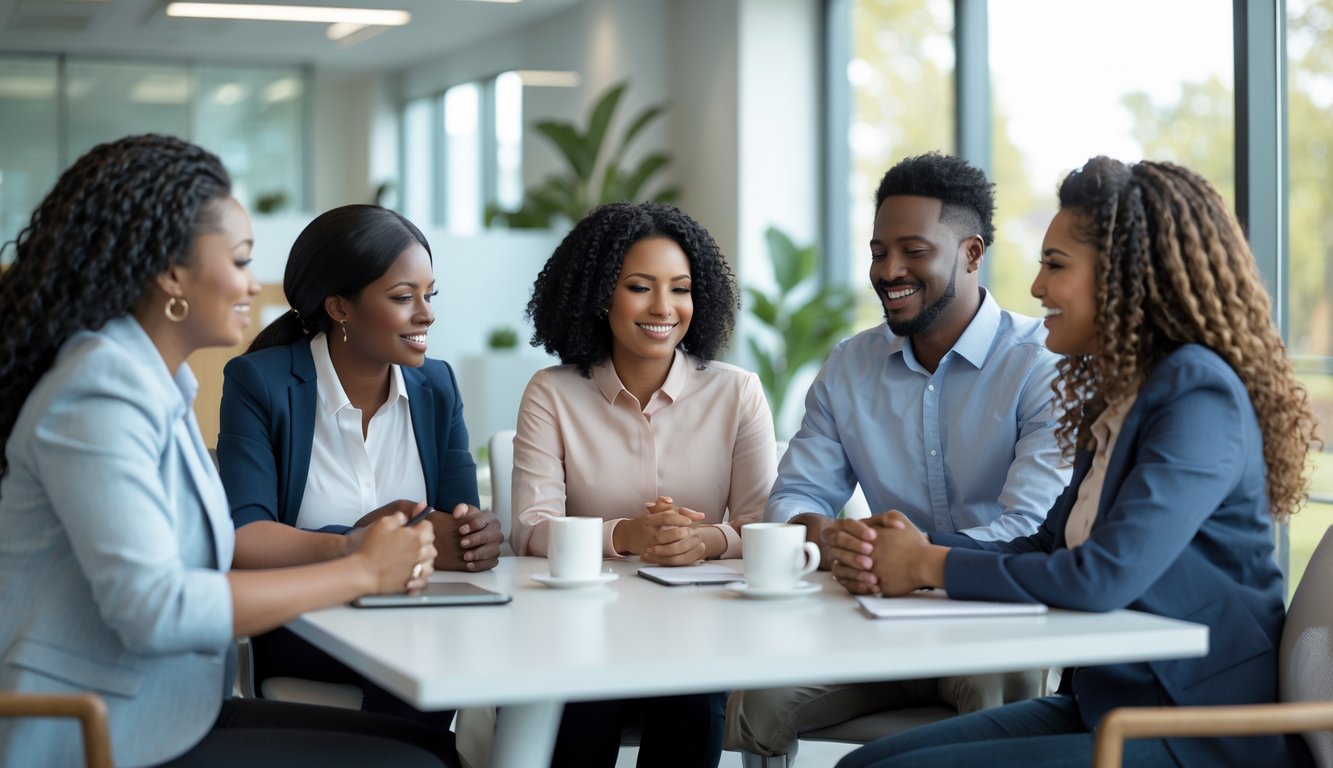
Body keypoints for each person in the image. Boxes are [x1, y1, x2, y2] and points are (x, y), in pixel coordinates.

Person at [832, 157, 1319, 768]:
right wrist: (909, 549)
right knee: (860, 766)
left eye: (1055, 266)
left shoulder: (1198, 393)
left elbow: (1100, 577)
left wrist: (929, 563)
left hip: (1198, 728)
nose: (1036, 288)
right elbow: (1046, 547)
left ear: (1125, 277)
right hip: (1111, 704)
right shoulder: (1121, 394)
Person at [0, 134, 455, 768]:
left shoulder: (156, 382)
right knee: (418, 762)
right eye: (240, 261)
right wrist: (357, 571)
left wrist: (355, 546)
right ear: (170, 273)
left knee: (431, 745)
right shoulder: (100, 392)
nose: (252, 285)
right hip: (97, 731)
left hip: (169, 710)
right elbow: (155, 609)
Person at [726, 152, 1070, 760]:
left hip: (991, 622)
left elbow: (1031, 531)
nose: (890, 270)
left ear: (970, 253)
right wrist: (825, 536)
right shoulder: (848, 367)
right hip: (874, 623)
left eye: (913, 251)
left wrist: (916, 561)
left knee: (1005, 692)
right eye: (878, 252)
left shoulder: (1040, 367)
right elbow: (794, 497)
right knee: (759, 697)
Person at [216, 204, 501, 733]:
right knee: (420, 671)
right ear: (340, 308)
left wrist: (475, 535)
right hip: (307, 620)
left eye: (429, 295)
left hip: (422, 617)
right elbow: (243, 537)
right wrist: (358, 540)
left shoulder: (437, 386)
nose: (427, 314)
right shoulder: (260, 382)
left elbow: (457, 524)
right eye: (402, 298)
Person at [513, 202, 777, 767]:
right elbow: (530, 531)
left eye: (680, 288)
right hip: (581, 634)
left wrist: (703, 541)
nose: (664, 307)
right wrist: (627, 535)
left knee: (693, 695)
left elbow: (764, 526)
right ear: (600, 294)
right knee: (581, 703)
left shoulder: (738, 392)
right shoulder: (551, 393)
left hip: (697, 631)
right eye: (639, 287)